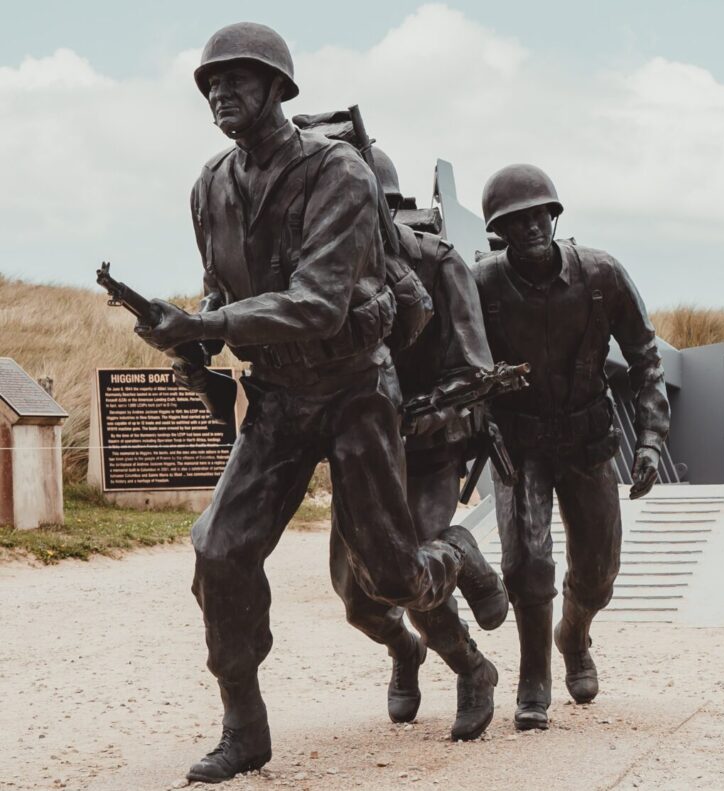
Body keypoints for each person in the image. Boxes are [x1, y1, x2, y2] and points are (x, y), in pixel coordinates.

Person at [134, 22, 507, 783]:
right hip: (277, 396)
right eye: (210, 84)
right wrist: (188, 335)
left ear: (278, 86)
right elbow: (222, 290)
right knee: (218, 550)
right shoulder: (210, 184)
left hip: (353, 391)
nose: (220, 94)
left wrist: (207, 325)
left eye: (236, 79)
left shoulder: (338, 172)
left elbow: (319, 303)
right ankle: (245, 727)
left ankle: (460, 587)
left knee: (390, 576)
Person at [474, 164, 670, 731]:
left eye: (540, 215)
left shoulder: (601, 275)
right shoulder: (481, 285)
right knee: (526, 564)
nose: (532, 227)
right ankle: (533, 677)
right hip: (520, 444)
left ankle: (574, 635)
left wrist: (651, 438)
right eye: (517, 220)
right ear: (500, 231)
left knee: (599, 571)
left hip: (587, 440)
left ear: (554, 217)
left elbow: (645, 358)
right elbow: (459, 362)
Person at [328, 147, 500, 741]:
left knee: (411, 570)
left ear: (388, 205)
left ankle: (472, 668)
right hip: (362, 456)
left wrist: (429, 412)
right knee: (356, 599)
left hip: (428, 449)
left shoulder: (438, 262)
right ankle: (405, 650)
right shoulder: (323, 272)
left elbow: (476, 367)